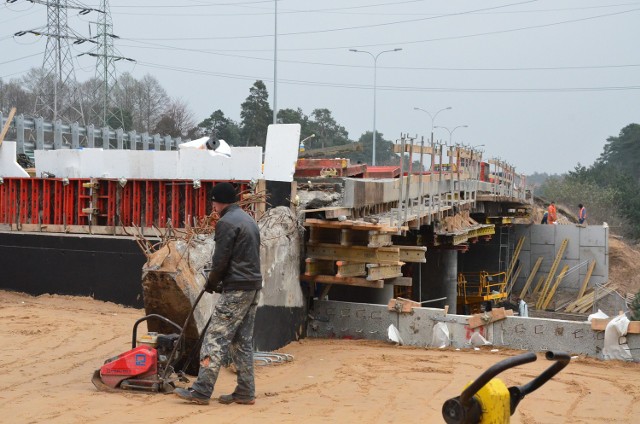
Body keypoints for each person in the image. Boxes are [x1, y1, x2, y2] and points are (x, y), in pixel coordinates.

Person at [174, 182, 262, 406]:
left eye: (213, 201)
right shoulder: (248, 220)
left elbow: (220, 260)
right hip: (252, 287)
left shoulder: (226, 222)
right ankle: (245, 391)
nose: (213, 205)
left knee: (214, 338)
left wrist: (211, 283)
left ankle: (201, 391)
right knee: (242, 341)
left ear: (218, 201)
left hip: (236, 289)